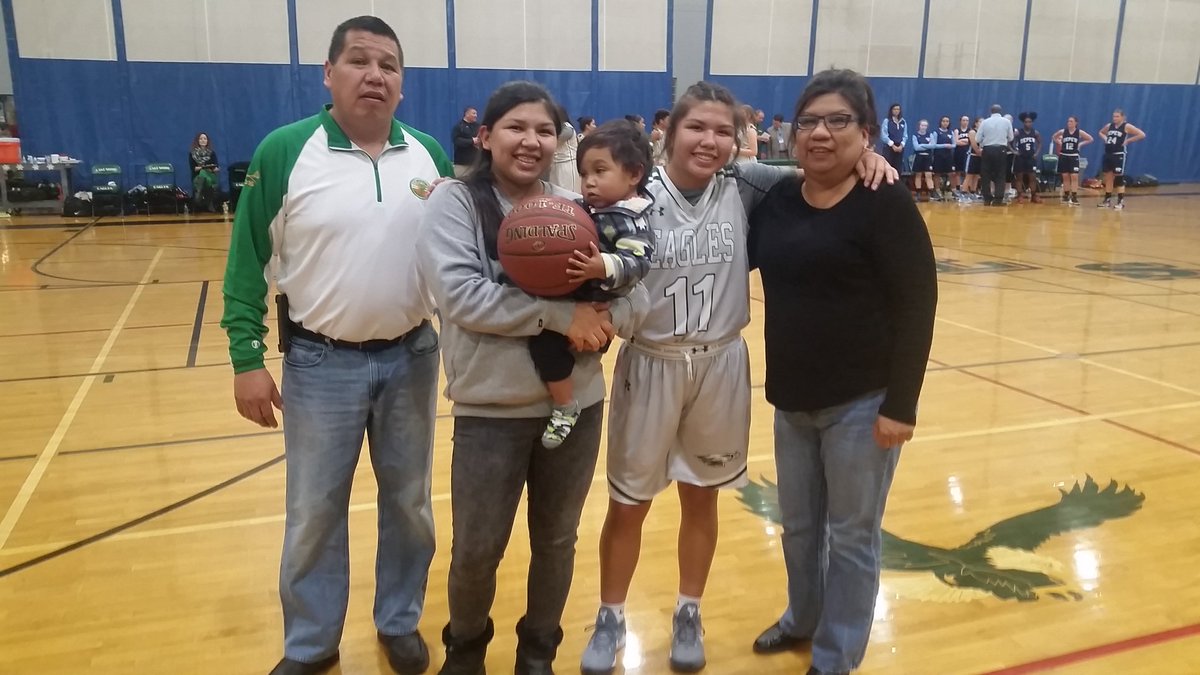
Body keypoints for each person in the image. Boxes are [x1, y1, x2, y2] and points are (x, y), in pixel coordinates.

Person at [578, 81, 895, 675]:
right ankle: (610, 616)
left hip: (721, 362)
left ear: (739, 138)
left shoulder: (752, 185)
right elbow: (556, 205)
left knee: (703, 497)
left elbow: (818, 170)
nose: (710, 141)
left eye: (724, 131)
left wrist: (869, 155)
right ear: (670, 130)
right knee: (629, 505)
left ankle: (689, 611)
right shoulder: (632, 191)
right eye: (697, 127)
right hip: (651, 360)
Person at [220, 16, 452, 675]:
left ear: (402, 85)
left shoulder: (429, 156)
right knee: (315, 510)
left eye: (388, 64)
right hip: (320, 364)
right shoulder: (285, 151)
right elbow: (245, 263)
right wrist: (246, 359)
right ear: (329, 74)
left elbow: (452, 260)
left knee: (409, 504)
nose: (374, 74)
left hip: (412, 357)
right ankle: (312, 644)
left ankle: (399, 618)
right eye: (358, 61)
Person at [417, 80, 649, 675]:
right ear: (486, 135)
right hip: (490, 412)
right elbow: (464, 299)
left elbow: (635, 290)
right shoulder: (455, 203)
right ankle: (465, 652)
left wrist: (605, 319)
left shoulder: (579, 206)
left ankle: (537, 653)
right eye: (517, 128)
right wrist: (558, 314)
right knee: (475, 549)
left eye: (545, 131)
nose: (532, 141)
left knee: (556, 542)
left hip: (579, 406)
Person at [748, 67, 937, 675]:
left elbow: (918, 301)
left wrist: (901, 404)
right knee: (799, 527)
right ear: (791, 132)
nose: (820, 134)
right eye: (808, 121)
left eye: (838, 121)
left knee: (852, 537)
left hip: (864, 401)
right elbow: (717, 174)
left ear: (867, 133)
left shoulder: (885, 202)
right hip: (792, 399)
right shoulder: (776, 198)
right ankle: (803, 618)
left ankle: (836, 655)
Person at [531, 120, 656, 449]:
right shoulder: (588, 208)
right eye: (584, 174)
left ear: (634, 175)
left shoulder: (631, 218)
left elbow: (639, 262)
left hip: (598, 308)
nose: (589, 182)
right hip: (573, 301)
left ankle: (564, 407)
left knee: (546, 346)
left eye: (600, 171)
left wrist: (603, 265)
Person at [1096, 109, 1146, 210]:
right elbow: (1100, 132)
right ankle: (1107, 200)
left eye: (1117, 116)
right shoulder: (1109, 126)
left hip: (1118, 154)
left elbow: (1141, 134)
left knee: (1118, 178)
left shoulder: (1126, 126)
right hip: (1108, 154)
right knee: (1108, 178)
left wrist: (1128, 140)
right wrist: (1105, 138)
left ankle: (1120, 201)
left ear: (1123, 117)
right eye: (1114, 116)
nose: (1115, 118)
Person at [976, 104, 1013, 206]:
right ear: (1000, 111)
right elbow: (1011, 138)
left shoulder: (985, 122)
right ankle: (998, 199)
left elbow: (977, 139)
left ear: (990, 111)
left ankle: (987, 199)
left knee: (986, 174)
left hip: (987, 150)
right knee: (1000, 174)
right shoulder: (1007, 122)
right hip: (1001, 150)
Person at [1051, 116, 1093, 206]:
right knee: (1065, 176)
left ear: (1076, 123)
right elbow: (1054, 137)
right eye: (1068, 121)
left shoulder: (1079, 132)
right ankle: (1066, 195)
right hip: (1064, 155)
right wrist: (1059, 142)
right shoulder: (1063, 131)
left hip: (1073, 156)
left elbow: (1090, 139)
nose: (1069, 123)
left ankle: (1074, 196)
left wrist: (1080, 144)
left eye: (1071, 121)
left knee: (1074, 176)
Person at [548, 108, 581, 192]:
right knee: (555, 193)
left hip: (567, 164)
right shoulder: (554, 128)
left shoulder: (567, 128)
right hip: (556, 165)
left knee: (570, 192)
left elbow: (555, 139)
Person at [1012, 112, 1042, 203]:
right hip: (1020, 157)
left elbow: (1040, 143)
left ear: (1032, 123)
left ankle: (1033, 196)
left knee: (1032, 177)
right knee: (1019, 177)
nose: (1028, 123)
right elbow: (1009, 142)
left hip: (1030, 158)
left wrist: (1036, 153)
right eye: (1026, 122)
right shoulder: (1018, 132)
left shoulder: (1035, 132)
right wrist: (1014, 151)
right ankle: (1020, 195)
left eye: (1029, 122)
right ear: (1023, 123)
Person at [189, 132, 219, 212]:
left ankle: (199, 192)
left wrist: (211, 168)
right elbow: (193, 169)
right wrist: (203, 168)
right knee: (202, 173)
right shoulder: (192, 154)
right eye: (201, 138)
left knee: (204, 175)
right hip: (197, 177)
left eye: (205, 139)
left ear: (207, 141)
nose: (203, 140)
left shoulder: (212, 153)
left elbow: (216, 168)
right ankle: (209, 203)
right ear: (197, 141)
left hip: (211, 175)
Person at [909, 119, 935, 201]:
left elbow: (933, 146)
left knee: (928, 175)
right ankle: (918, 193)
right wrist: (927, 145)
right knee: (918, 175)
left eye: (925, 125)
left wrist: (922, 145)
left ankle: (931, 193)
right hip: (918, 157)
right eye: (922, 125)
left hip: (928, 157)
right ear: (919, 126)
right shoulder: (915, 135)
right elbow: (916, 147)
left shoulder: (930, 135)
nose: (924, 127)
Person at [452, 106, 480, 176]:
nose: (476, 116)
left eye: (476, 114)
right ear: (467, 114)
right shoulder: (459, 126)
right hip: (462, 164)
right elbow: (456, 140)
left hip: (475, 163)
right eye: (473, 113)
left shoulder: (478, 126)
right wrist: (472, 141)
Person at [932, 116, 955, 200]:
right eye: (944, 121)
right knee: (937, 173)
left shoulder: (950, 132)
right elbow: (933, 145)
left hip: (948, 156)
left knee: (951, 173)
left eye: (947, 121)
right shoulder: (936, 132)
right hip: (938, 155)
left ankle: (953, 190)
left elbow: (954, 144)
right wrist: (944, 145)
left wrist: (950, 146)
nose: (945, 123)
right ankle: (937, 190)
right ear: (940, 122)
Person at [881, 103, 907, 173]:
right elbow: (883, 135)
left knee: (898, 168)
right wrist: (892, 145)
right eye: (894, 109)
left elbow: (905, 135)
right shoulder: (887, 121)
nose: (896, 111)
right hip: (889, 148)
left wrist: (901, 145)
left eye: (898, 109)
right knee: (888, 167)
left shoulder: (903, 122)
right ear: (891, 110)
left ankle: (897, 183)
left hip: (900, 148)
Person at [951, 115, 972, 198]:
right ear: (960, 121)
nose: (965, 122)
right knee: (958, 171)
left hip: (968, 153)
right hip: (958, 153)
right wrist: (966, 141)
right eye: (963, 120)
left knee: (968, 172)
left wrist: (962, 140)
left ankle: (966, 189)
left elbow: (971, 141)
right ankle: (958, 188)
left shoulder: (970, 130)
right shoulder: (957, 130)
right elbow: (956, 142)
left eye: (967, 120)